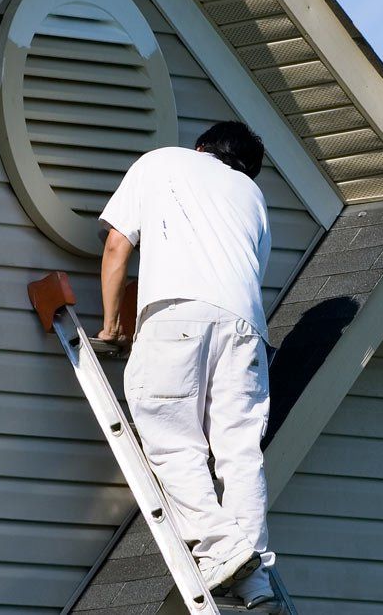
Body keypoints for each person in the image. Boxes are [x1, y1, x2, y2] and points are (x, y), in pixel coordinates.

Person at [95, 121, 281, 611]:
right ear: (246, 167)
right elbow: (247, 273)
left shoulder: (162, 160)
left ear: (202, 147)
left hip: (177, 312)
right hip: (246, 325)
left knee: (172, 436)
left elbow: (117, 246)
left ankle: (223, 550)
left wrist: (113, 326)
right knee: (240, 451)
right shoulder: (253, 197)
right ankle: (256, 581)